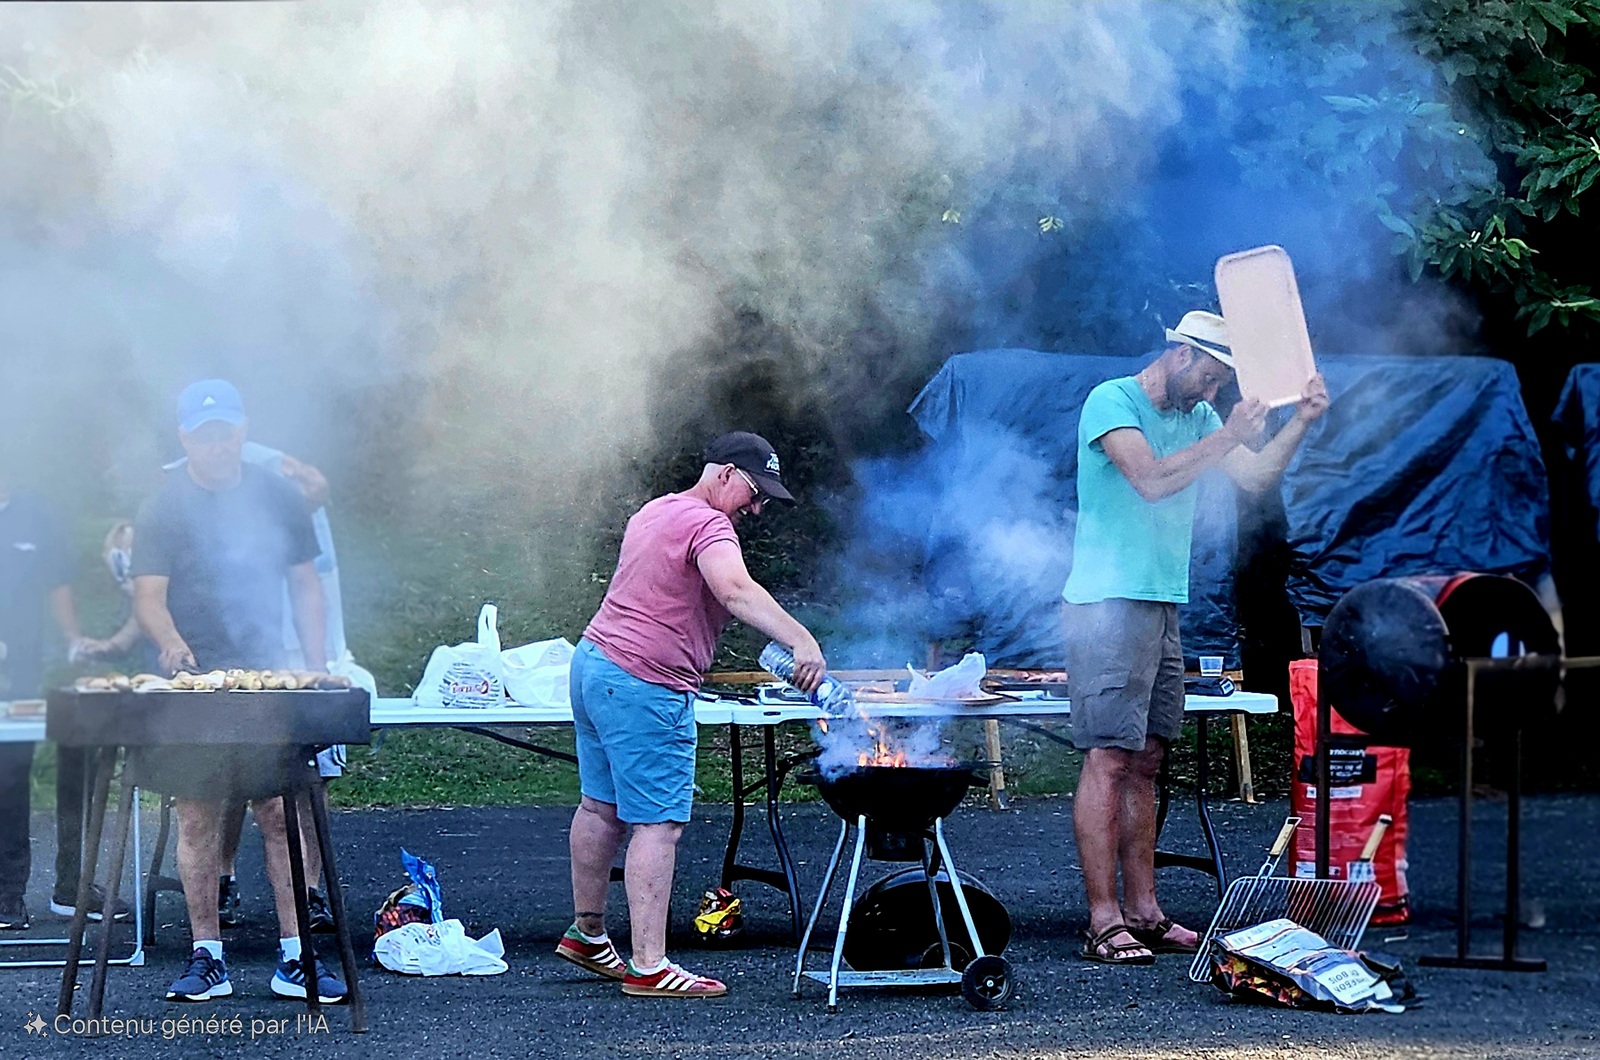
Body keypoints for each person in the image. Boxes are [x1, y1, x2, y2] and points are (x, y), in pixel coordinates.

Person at [1063, 311, 1328, 965]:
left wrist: (1300, 422)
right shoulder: (1112, 401)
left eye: (1222, 386)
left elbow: (1256, 477)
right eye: (1211, 379)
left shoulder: (1200, 416)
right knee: (1109, 758)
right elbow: (1151, 481)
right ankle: (1103, 919)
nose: (1214, 395)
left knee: (1149, 759)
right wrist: (1226, 434)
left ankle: (1145, 911)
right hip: (1107, 603)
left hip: (1161, 601)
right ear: (1180, 354)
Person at [558, 431, 827, 998]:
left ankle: (588, 934)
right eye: (755, 493)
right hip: (643, 683)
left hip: (594, 665)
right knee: (658, 823)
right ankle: (650, 964)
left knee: (600, 808)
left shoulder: (655, 511)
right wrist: (802, 640)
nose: (756, 509)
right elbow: (733, 590)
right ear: (725, 473)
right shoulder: (709, 524)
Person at [130, 379, 345, 1004]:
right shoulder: (164, 505)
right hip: (191, 681)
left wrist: (314, 666)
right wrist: (170, 645)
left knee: (279, 812)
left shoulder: (276, 494)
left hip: (264, 674)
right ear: (184, 440)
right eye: (204, 436)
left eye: (225, 432)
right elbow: (149, 597)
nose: (217, 445)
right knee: (196, 813)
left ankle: (296, 956)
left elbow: (306, 585)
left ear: (242, 431)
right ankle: (207, 956)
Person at [0, 484, 105, 930]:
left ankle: (66, 889)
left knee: (22, 765)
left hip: (23, 672)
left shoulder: (35, 514)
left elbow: (58, 585)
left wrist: (74, 641)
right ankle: (6, 893)